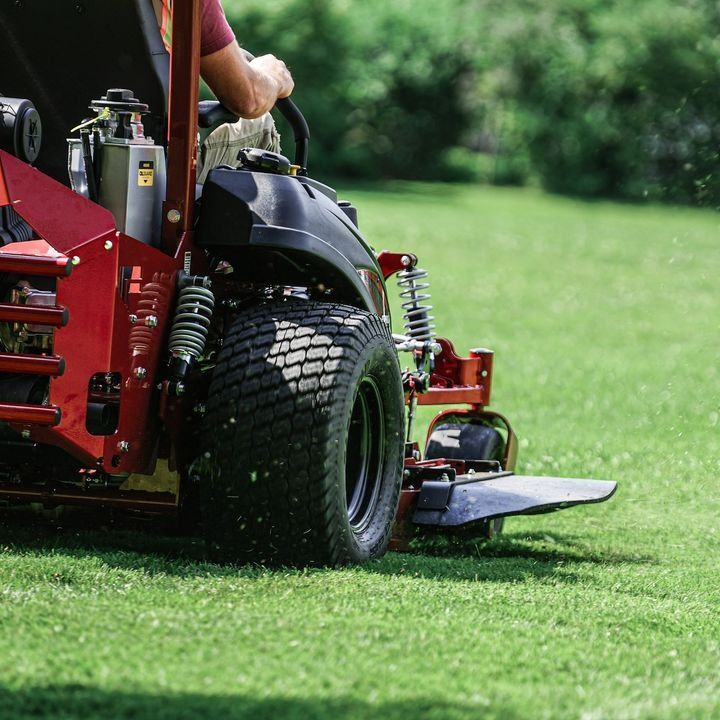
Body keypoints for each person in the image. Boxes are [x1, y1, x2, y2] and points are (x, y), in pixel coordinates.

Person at [151, 0, 295, 182]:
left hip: (107, 155)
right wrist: (273, 77)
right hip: (163, 172)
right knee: (260, 124)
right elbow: (248, 99)